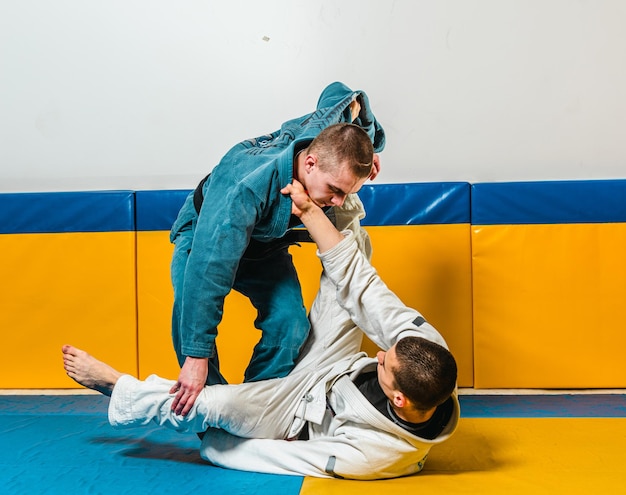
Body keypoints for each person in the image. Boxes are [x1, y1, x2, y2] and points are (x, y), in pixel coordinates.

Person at [62, 180, 459, 480]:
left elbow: (281, 459)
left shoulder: (378, 455)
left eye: (385, 364)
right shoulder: (425, 351)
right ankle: (331, 205)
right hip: (335, 363)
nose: (379, 352)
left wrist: (217, 444)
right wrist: (309, 210)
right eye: (389, 350)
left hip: (296, 414)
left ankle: (118, 387)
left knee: (214, 405)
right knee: (355, 257)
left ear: (401, 400)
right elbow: (364, 287)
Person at [169, 81, 386, 416]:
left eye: (347, 191)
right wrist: (196, 357)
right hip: (204, 236)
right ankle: (211, 414)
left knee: (289, 324)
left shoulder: (325, 137)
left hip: (263, 247)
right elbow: (209, 272)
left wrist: (366, 143)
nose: (339, 202)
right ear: (310, 163)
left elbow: (343, 93)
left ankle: (254, 411)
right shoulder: (246, 186)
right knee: (193, 334)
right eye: (334, 190)